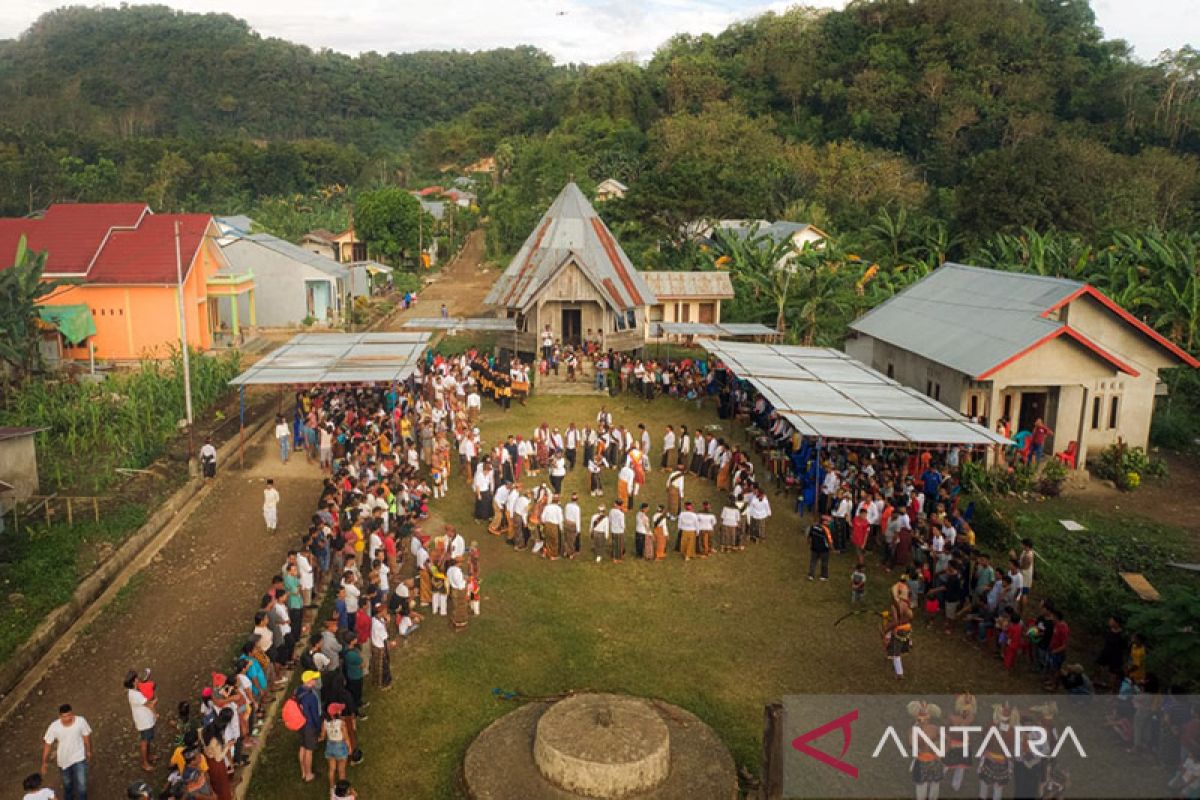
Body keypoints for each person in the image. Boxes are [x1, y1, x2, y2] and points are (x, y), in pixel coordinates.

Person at [41, 704, 92, 800]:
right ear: (60, 716)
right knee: (67, 785)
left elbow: (86, 737)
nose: (67, 718)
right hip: (63, 760)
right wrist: (44, 762)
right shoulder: (54, 726)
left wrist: (89, 751)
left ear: (72, 714)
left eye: (69, 715)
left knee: (82, 785)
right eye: (64, 716)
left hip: (79, 757)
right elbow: (48, 744)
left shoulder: (81, 721)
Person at [124, 670, 157, 772]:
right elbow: (150, 704)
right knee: (145, 741)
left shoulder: (134, 691)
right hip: (145, 721)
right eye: (137, 679)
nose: (139, 680)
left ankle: (149, 756)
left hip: (146, 719)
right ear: (133, 682)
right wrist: (155, 703)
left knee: (148, 740)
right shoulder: (136, 695)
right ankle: (144, 763)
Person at [296, 671, 322, 783]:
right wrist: (319, 727)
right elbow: (315, 715)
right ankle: (308, 774)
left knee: (302, 746)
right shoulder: (311, 696)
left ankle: (303, 771)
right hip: (309, 726)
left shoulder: (298, 690)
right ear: (308, 681)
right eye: (314, 679)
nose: (315, 681)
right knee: (309, 751)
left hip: (300, 723)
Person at [320, 703, 350, 788]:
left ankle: (332, 788)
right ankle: (342, 790)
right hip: (340, 747)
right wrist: (349, 748)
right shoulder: (341, 723)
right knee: (341, 770)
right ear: (338, 713)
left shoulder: (325, 722)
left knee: (331, 769)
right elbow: (346, 737)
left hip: (330, 746)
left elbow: (322, 736)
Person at [807, 515, 833, 581]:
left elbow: (809, 535)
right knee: (824, 562)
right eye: (828, 522)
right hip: (823, 549)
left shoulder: (813, 526)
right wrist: (831, 548)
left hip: (814, 547)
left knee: (813, 562)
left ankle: (811, 575)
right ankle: (823, 576)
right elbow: (829, 541)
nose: (829, 523)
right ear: (824, 522)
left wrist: (809, 542)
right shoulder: (826, 530)